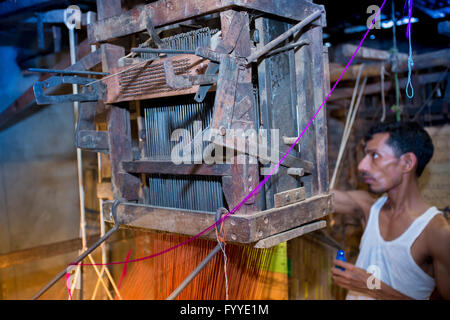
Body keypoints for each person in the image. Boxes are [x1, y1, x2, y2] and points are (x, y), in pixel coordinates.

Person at [330, 121, 450, 300]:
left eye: (374, 155)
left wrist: (372, 286)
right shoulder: (368, 207)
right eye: (365, 156)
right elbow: (320, 199)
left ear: (407, 162)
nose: (362, 166)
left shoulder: (436, 232)